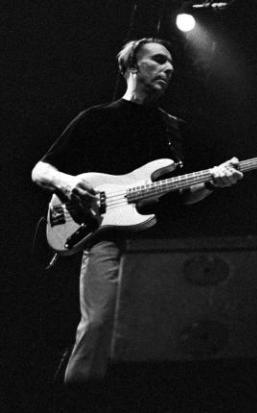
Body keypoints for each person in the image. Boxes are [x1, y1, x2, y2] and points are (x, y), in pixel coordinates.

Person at [31, 38, 243, 384]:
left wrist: (211, 183)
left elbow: (181, 196)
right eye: (158, 60)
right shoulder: (97, 118)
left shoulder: (174, 129)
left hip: (159, 247)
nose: (169, 68)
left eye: (171, 64)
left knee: (162, 337)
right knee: (98, 326)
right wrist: (68, 184)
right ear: (132, 67)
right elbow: (41, 171)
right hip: (106, 241)